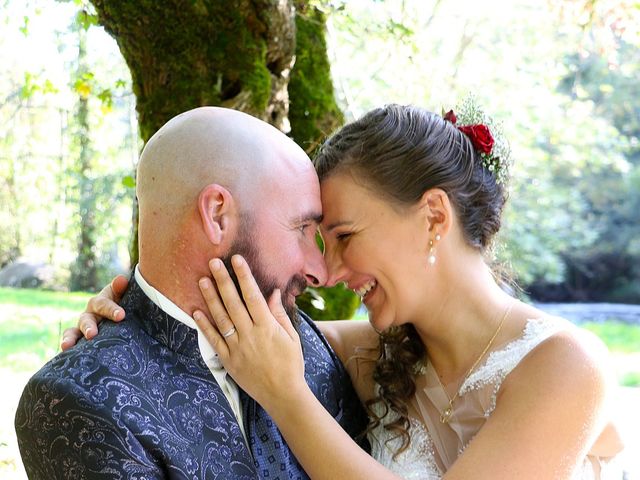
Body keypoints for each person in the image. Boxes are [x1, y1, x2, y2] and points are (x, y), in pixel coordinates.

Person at [70, 104, 624, 479]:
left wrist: (288, 398)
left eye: (344, 237)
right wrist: (123, 321)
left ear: (433, 216)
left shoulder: (564, 365)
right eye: (314, 237)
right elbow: (213, 340)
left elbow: (276, 372)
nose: (328, 272)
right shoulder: (360, 355)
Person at [15, 107, 368, 479]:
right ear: (216, 215)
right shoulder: (79, 400)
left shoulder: (304, 342)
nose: (320, 270)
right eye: (301, 228)